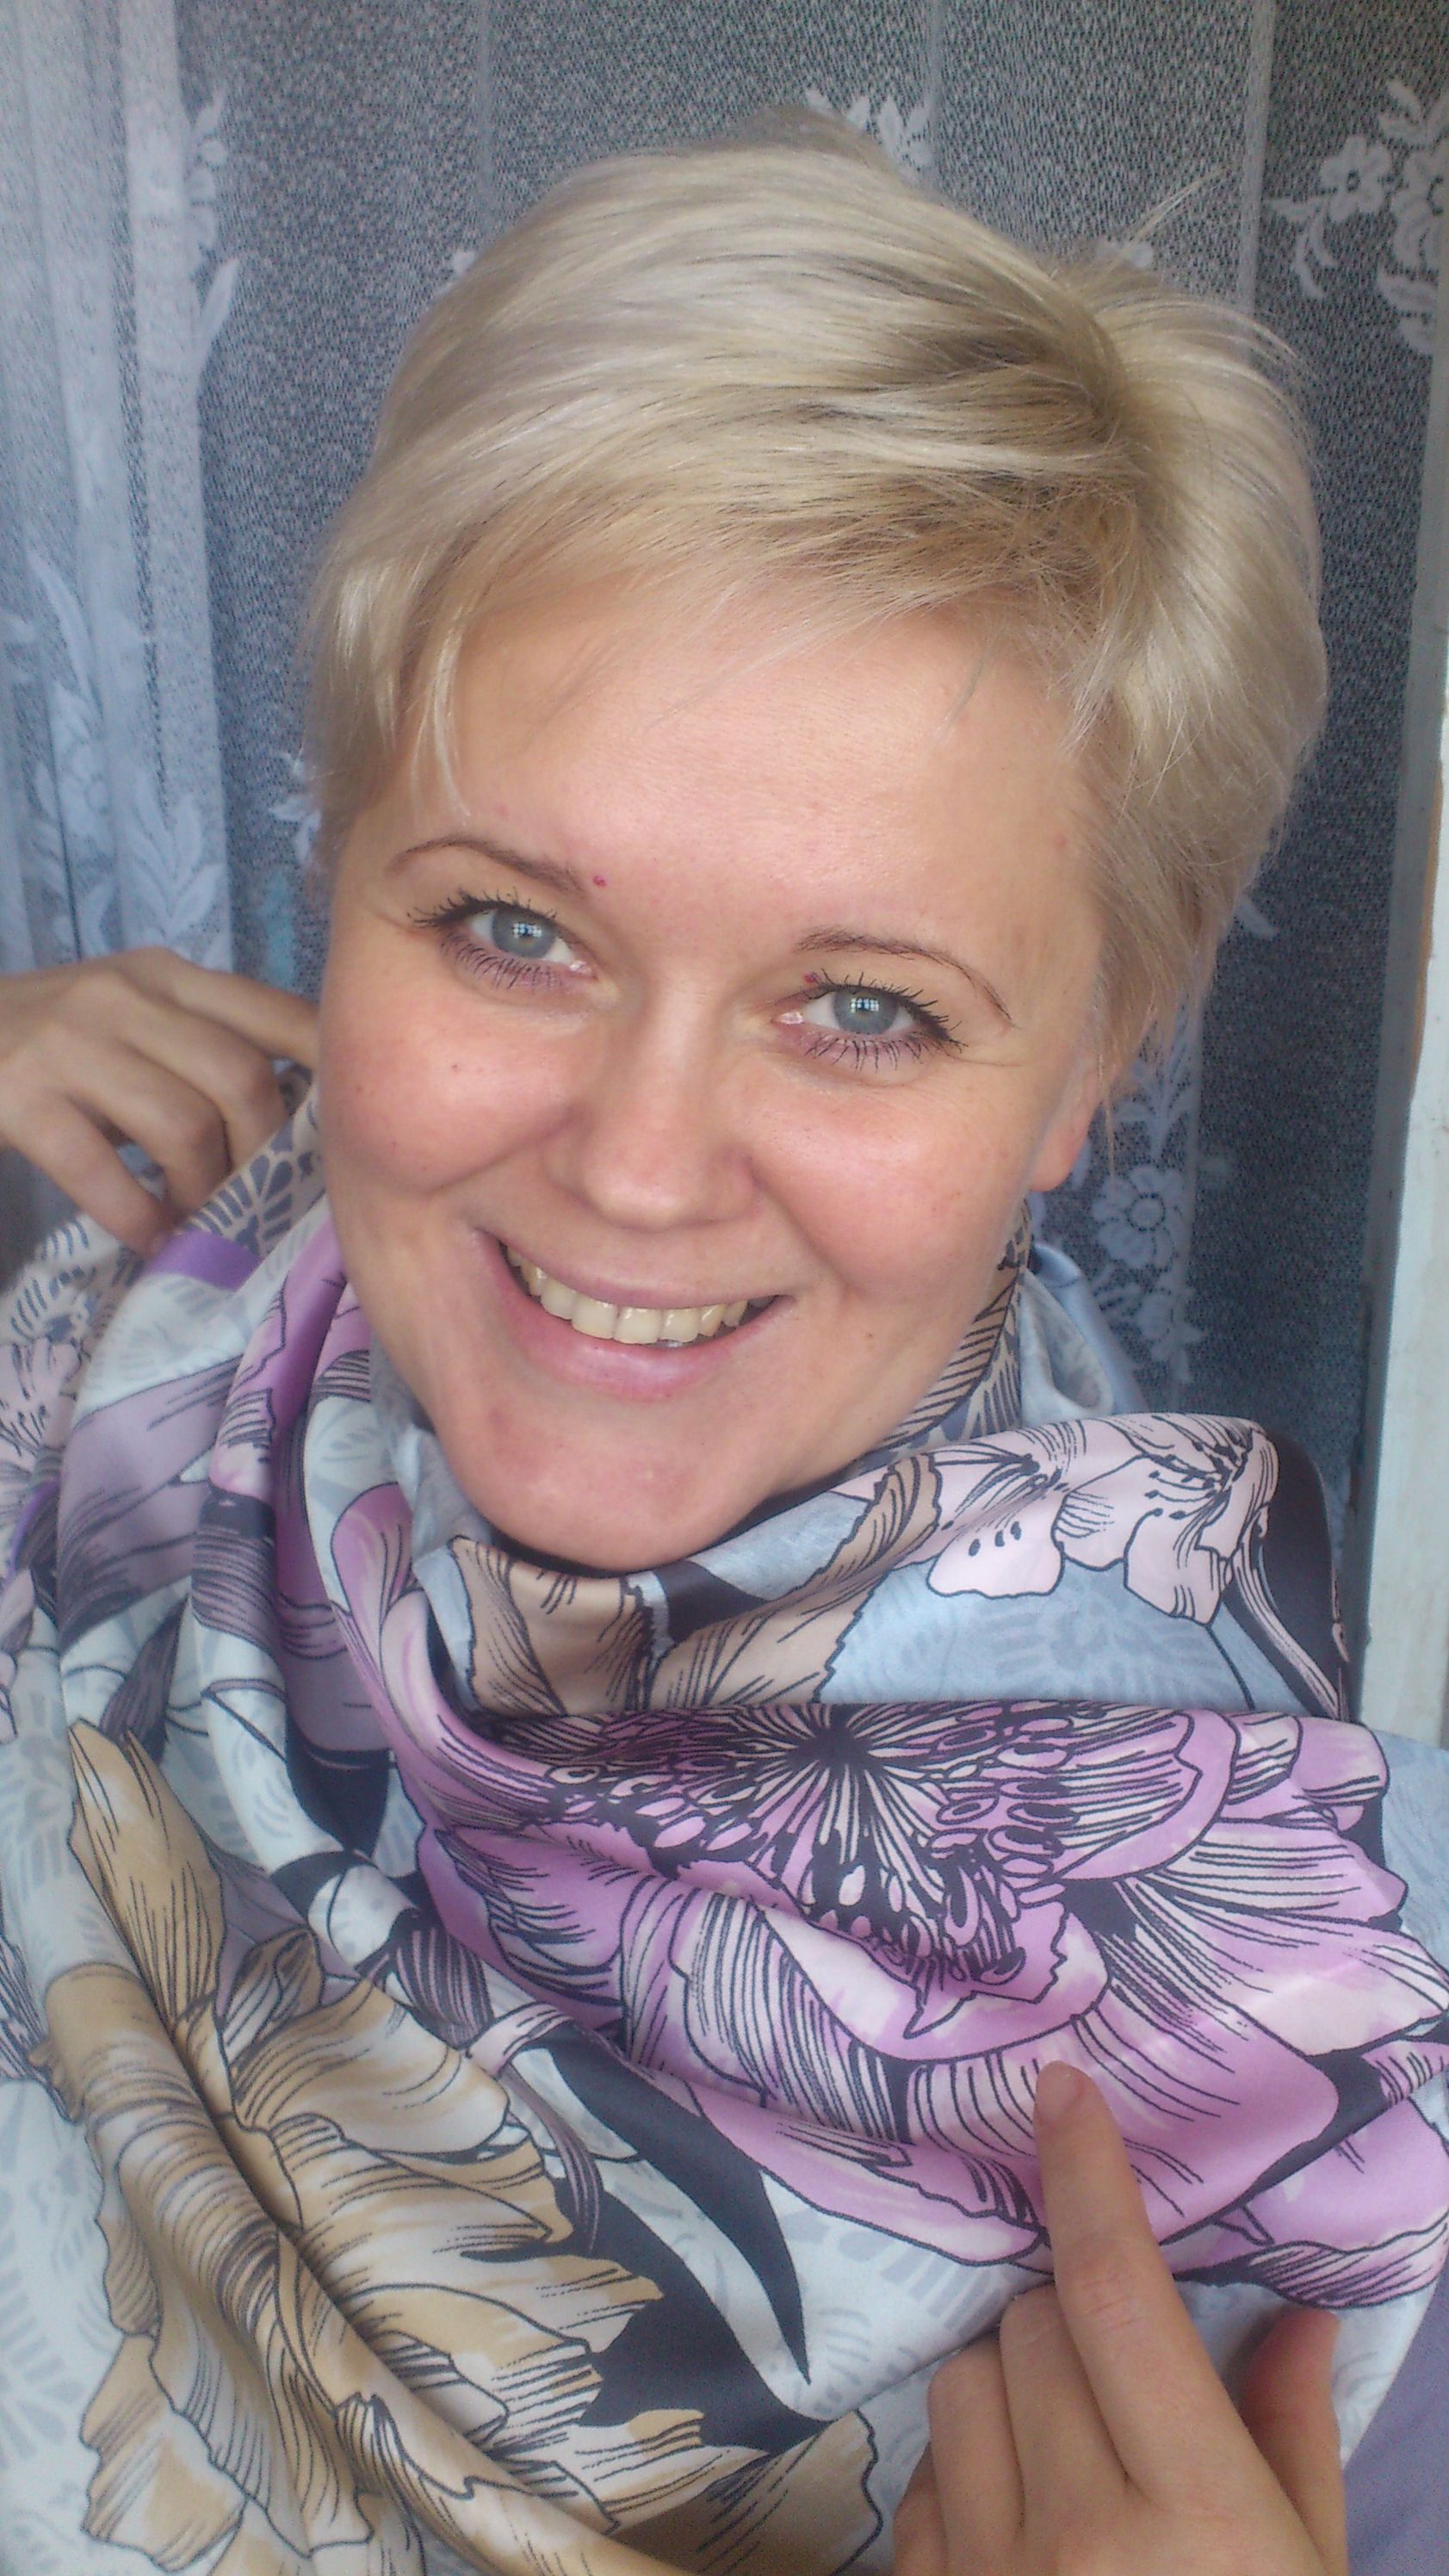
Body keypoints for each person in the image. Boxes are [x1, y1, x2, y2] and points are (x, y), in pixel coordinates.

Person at [2, 120, 1446, 2576]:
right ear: (339, 877)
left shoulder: (1313, 2060)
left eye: (865, 1006)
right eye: (511, 930)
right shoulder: (109, 1313)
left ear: (1091, 1066)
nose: (642, 1168)